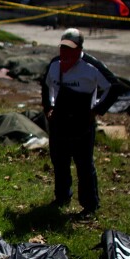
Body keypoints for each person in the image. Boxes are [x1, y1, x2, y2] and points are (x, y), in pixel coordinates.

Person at [41, 28, 118, 218]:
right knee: (59, 161)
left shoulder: (91, 67)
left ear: (80, 49)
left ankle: (90, 205)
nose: (65, 53)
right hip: (59, 120)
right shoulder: (54, 65)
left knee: (84, 165)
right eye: (63, 48)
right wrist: (48, 107)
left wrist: (97, 109)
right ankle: (62, 196)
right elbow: (46, 85)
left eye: (70, 49)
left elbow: (114, 86)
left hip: (82, 121)